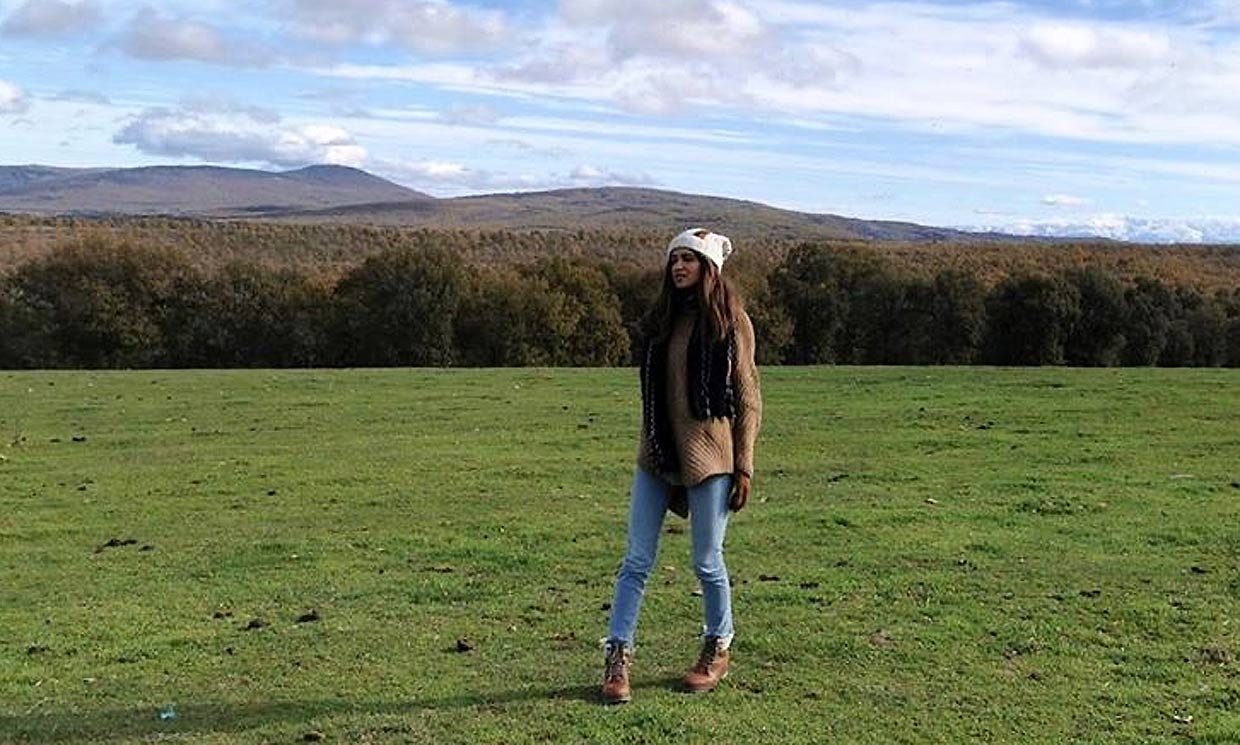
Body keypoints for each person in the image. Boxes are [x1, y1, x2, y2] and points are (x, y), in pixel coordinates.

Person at [600, 227, 763, 704]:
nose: (679, 267)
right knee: (635, 560)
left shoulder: (733, 324)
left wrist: (745, 465)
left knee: (707, 561)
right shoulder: (660, 323)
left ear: (709, 268)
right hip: (657, 453)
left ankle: (718, 646)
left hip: (712, 458)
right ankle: (617, 657)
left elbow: (750, 400)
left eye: (689, 260)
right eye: (675, 260)